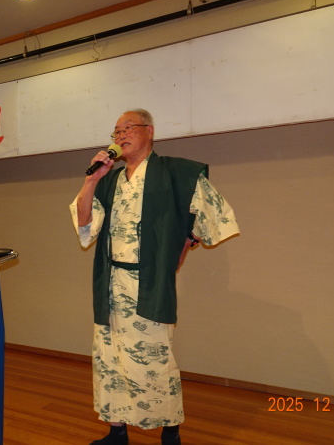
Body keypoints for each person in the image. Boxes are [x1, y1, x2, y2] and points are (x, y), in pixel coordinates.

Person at [70, 109, 239, 445]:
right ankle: (116, 431)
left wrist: (188, 240)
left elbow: (215, 215)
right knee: (109, 359)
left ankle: (170, 431)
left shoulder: (175, 172)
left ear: (149, 131)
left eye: (128, 127)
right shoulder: (110, 181)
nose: (120, 135)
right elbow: (85, 225)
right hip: (110, 282)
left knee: (153, 360)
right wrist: (91, 180)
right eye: (116, 131)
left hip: (148, 284)